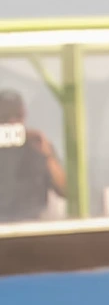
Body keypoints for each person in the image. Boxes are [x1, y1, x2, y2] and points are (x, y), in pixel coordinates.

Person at [0, 89, 67, 222]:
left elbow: (65, 190)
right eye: (5, 117)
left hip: (34, 226)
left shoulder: (37, 146)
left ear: (24, 116)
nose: (12, 121)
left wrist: (47, 155)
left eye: (17, 116)